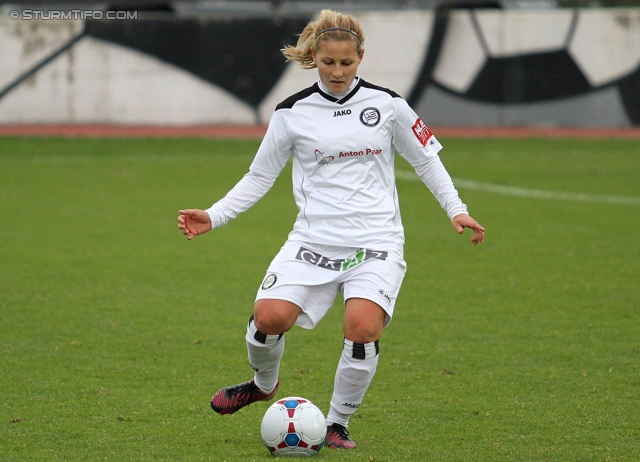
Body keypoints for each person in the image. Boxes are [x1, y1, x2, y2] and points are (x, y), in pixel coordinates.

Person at [178, 9, 484, 450]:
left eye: (347, 63)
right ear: (314, 58)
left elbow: (426, 159)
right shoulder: (291, 113)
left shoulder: (389, 105)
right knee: (268, 318)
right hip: (312, 241)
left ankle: (337, 422)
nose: (338, 72)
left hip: (376, 242)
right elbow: (260, 176)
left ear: (361, 57)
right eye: (328, 63)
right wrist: (215, 214)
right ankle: (264, 383)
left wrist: (456, 209)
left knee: (361, 326)